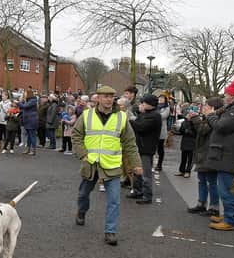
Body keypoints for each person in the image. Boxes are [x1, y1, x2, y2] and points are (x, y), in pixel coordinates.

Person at [72, 85, 142, 246]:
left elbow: (130, 143)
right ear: (98, 98)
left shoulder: (121, 117)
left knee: (114, 200)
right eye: (105, 96)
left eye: (111, 96)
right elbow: (76, 135)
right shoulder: (87, 115)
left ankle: (110, 231)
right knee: (83, 194)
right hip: (91, 163)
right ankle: (81, 212)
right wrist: (83, 154)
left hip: (112, 165)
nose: (109, 99)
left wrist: (136, 164)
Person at [204, 79, 234, 233]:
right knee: (227, 188)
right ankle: (228, 216)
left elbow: (221, 126)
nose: (225, 96)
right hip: (227, 154)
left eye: (227, 93)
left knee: (227, 189)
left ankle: (230, 220)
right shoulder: (233, 108)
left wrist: (211, 115)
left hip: (230, 156)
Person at [188, 97, 224, 216]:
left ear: (213, 108)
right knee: (202, 180)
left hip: (209, 154)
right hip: (203, 153)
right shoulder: (208, 118)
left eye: (206, 106)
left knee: (211, 182)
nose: (202, 108)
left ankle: (214, 207)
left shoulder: (215, 118)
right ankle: (201, 204)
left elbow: (203, 130)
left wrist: (194, 118)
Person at [128, 94, 162, 204]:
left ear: (149, 104)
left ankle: (147, 195)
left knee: (145, 173)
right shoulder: (146, 114)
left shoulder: (154, 116)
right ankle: (138, 191)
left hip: (146, 148)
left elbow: (140, 127)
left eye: (143, 103)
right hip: (139, 146)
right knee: (136, 170)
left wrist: (129, 120)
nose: (141, 105)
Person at [174, 109, 197, 178]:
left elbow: (195, 133)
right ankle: (181, 170)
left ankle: (188, 171)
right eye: (188, 114)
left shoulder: (195, 123)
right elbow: (181, 130)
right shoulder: (184, 122)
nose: (188, 116)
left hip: (192, 142)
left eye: (190, 114)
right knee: (183, 157)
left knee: (190, 159)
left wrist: (188, 131)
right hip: (185, 141)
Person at [18, 89, 38, 155]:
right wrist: (21, 101)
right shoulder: (28, 100)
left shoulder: (33, 100)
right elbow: (23, 107)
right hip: (28, 121)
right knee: (29, 136)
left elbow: (24, 106)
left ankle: (33, 150)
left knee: (32, 136)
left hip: (31, 121)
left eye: (25, 93)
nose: (24, 95)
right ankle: (28, 149)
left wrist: (18, 102)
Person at [155, 94, 170, 171]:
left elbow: (163, 116)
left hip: (161, 130)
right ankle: (152, 164)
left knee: (160, 149)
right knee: (153, 148)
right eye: (159, 98)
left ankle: (159, 164)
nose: (160, 99)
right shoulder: (155, 106)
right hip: (154, 130)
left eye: (162, 98)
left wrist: (154, 115)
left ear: (165, 100)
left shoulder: (166, 108)